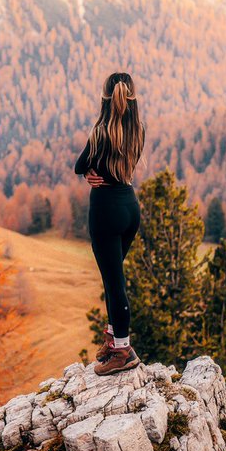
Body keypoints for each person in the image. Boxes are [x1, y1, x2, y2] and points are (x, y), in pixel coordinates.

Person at [74, 71, 145, 375]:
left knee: (114, 283)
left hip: (105, 211)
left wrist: (90, 170)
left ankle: (123, 350)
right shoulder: (138, 129)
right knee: (114, 278)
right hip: (130, 207)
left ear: (105, 98)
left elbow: (79, 164)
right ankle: (112, 337)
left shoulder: (100, 132)